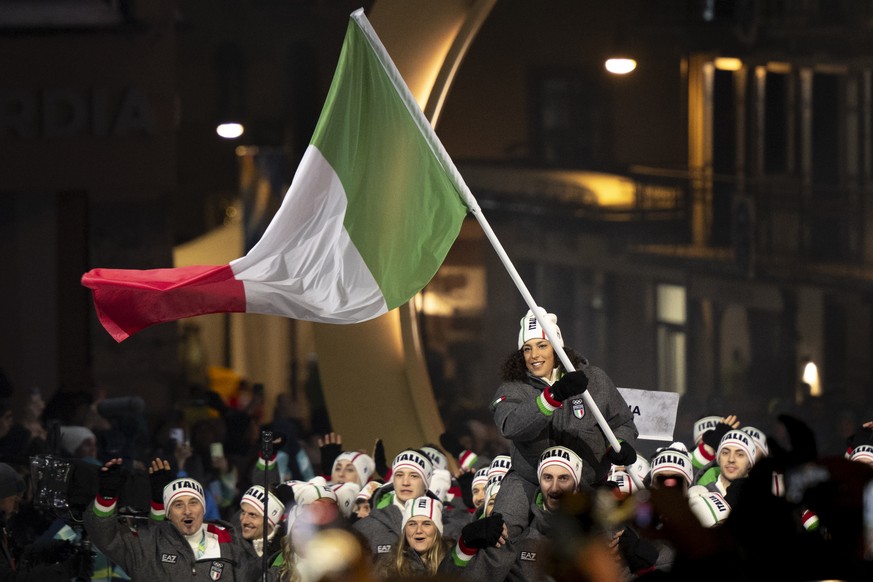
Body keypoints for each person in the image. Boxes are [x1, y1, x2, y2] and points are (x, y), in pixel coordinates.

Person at [491, 308, 638, 539]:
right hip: (527, 480)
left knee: (614, 542)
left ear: (557, 348)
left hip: (588, 483)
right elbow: (509, 424)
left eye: (542, 345)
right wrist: (551, 398)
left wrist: (619, 444)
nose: (533, 355)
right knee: (498, 536)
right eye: (527, 349)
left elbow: (623, 422)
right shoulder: (513, 387)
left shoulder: (594, 380)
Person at [84, 457, 257, 581]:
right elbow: (105, 537)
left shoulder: (228, 539)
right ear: (168, 512)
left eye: (194, 503)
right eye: (178, 505)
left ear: (204, 508)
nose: (187, 511)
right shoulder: (147, 546)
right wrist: (106, 498)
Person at [449, 446, 578, 580]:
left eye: (563, 478)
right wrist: (465, 546)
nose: (555, 487)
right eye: (548, 477)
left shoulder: (590, 528)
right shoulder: (510, 536)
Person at [353, 448, 437, 563]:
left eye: (414, 476)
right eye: (399, 475)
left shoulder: (445, 525)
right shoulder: (364, 528)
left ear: (426, 483)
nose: (405, 482)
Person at [375, 496, 450, 579]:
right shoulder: (387, 568)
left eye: (426, 524)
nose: (418, 530)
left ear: (437, 530)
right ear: (405, 530)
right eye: (412, 524)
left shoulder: (453, 565)